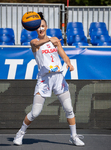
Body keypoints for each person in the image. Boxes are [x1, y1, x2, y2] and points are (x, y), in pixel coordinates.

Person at [13, 12, 85, 146]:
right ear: (35, 28)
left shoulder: (55, 41)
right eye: (38, 27)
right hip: (44, 80)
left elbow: (63, 55)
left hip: (58, 78)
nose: (41, 29)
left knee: (69, 109)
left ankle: (74, 136)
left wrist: (68, 63)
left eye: (43, 26)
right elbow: (38, 44)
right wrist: (50, 40)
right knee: (35, 112)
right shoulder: (35, 42)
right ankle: (20, 133)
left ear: (46, 27)